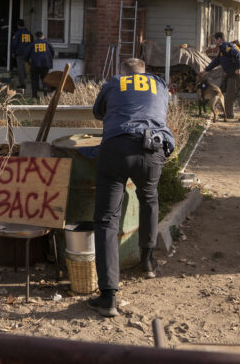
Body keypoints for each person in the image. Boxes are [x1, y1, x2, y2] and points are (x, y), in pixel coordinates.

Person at [88, 57, 174, 317]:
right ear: (144, 71)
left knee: (106, 219)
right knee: (149, 199)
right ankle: (147, 261)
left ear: (123, 72)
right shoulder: (159, 83)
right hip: (152, 146)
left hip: (117, 147)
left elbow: (97, 112)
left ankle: (108, 296)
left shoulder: (115, 83)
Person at [204, 32, 240, 122]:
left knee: (230, 94)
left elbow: (238, 55)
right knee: (239, 93)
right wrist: (206, 70)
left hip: (238, 73)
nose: (213, 41)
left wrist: (238, 68)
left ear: (219, 39)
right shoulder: (225, 48)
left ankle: (230, 114)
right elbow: (216, 61)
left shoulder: (225, 47)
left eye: (214, 39)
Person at [28, 31, 53, 99]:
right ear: (43, 36)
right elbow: (52, 51)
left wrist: (28, 61)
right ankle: (45, 94)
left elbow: (27, 53)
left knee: (34, 79)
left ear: (36, 37)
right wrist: (50, 59)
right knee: (45, 79)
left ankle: (34, 95)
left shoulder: (33, 44)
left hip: (35, 65)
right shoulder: (47, 43)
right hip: (45, 64)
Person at [10, 20, 32, 92]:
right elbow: (32, 44)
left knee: (21, 69)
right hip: (28, 54)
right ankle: (28, 80)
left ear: (18, 25)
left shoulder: (18, 33)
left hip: (20, 54)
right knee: (27, 67)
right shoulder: (29, 33)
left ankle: (23, 84)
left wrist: (13, 51)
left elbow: (15, 43)